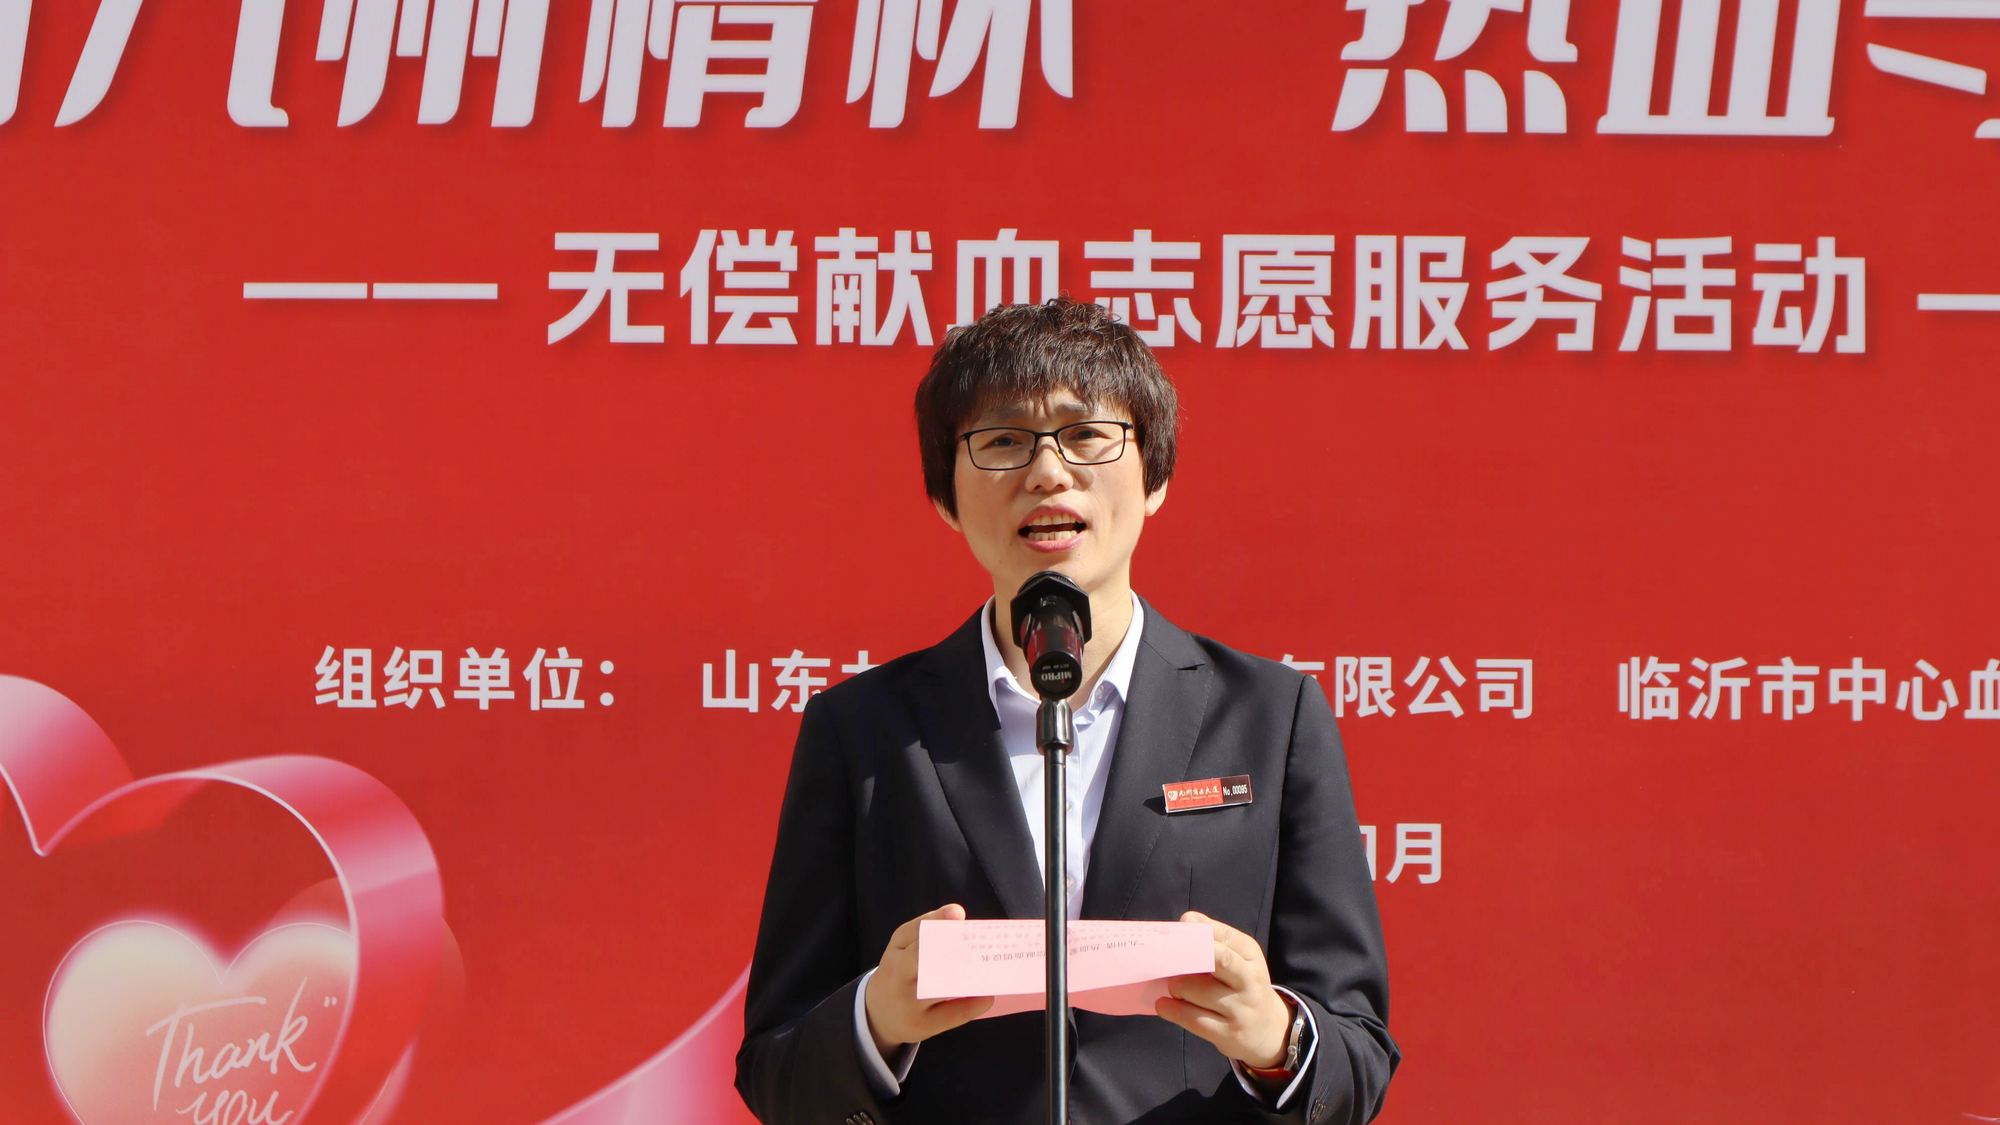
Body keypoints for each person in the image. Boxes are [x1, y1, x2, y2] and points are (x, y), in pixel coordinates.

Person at [735, 298, 1397, 1124]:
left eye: (1087, 435)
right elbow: (776, 1068)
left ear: (1155, 477)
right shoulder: (863, 730)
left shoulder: (1272, 715)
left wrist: (1275, 1037)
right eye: (1003, 441)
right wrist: (878, 1017)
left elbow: (1358, 1052)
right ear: (945, 496)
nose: (1048, 471)